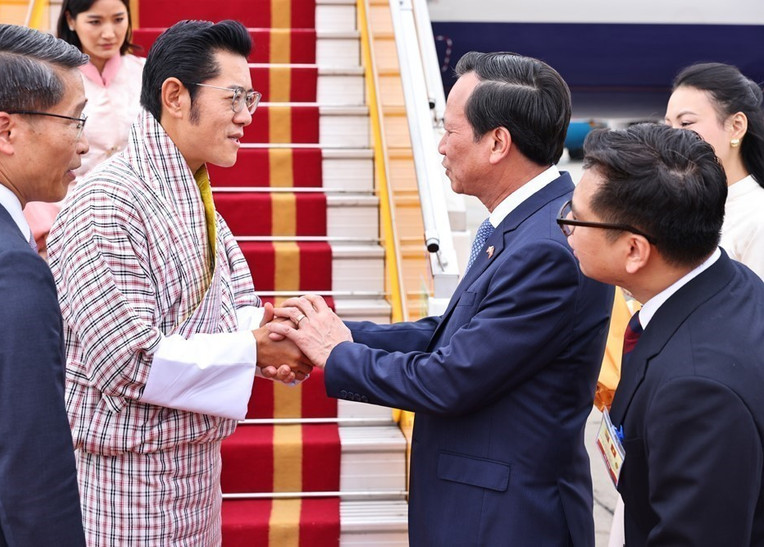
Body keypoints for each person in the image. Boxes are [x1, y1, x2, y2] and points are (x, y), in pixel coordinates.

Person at [269, 52, 614, 545]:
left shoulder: (547, 248)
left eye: (450, 132)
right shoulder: (529, 225)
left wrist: (336, 354)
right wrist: (334, 335)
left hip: (506, 521)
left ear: (497, 142)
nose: (439, 148)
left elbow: (451, 379)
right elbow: (452, 334)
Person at [48, 19, 311, 544]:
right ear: (174, 96)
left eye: (251, 99)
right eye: (234, 98)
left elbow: (234, 304)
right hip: (124, 485)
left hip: (193, 474)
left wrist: (275, 333)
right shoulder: (105, 201)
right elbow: (128, 361)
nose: (246, 117)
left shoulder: (193, 193)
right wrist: (249, 349)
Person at [560, 123, 764, 545]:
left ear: (634, 250)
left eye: (576, 218)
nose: (566, 228)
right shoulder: (728, 281)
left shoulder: (696, 392)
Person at [0, 23, 88, 545]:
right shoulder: (6, 268)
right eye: (74, 120)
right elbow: (32, 474)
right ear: (5, 131)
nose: (84, 142)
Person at [25, 0, 144, 254]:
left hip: (136, 216)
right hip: (66, 216)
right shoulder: (48, 78)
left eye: (118, 19)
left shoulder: (144, 73)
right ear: (70, 19)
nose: (109, 33)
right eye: (95, 21)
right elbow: (34, 155)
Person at [665, 62, 764, 280]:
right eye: (669, 126)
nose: (672, 138)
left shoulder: (758, 218)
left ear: (736, 126)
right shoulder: (677, 206)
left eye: (686, 123)